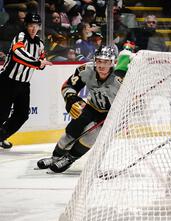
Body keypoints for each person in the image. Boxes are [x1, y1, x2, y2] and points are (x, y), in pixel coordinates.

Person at [36, 46, 122, 173]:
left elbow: (134, 99)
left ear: (113, 62)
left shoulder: (121, 78)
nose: (101, 65)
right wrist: (71, 99)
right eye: (99, 61)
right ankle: (55, 157)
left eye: (106, 62)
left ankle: (70, 158)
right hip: (92, 107)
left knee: (91, 136)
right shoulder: (86, 70)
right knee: (71, 131)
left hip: (111, 114)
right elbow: (68, 85)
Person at [0, 13, 52, 149]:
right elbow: (18, 55)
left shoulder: (40, 44)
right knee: (2, 113)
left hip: (24, 84)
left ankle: (1, 136)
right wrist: (38, 62)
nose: (33, 29)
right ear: (26, 26)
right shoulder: (20, 37)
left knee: (22, 115)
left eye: (36, 26)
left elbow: (41, 62)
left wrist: (41, 64)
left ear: (39, 27)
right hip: (7, 81)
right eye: (30, 26)